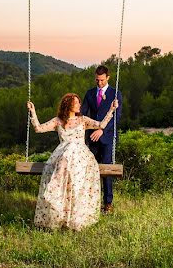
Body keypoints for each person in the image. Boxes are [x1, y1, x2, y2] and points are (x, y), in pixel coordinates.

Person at [27, 93, 117, 231]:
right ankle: (56, 198)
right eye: (76, 103)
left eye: (79, 103)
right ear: (68, 104)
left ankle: (63, 201)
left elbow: (101, 125)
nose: (79, 105)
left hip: (80, 159)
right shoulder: (58, 121)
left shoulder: (83, 120)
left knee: (73, 147)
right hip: (63, 158)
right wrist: (32, 112)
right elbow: (38, 128)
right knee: (69, 148)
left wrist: (111, 109)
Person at [80, 65, 121, 213]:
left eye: (102, 80)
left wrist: (102, 130)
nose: (99, 83)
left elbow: (116, 118)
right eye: (97, 80)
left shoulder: (115, 94)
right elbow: (81, 113)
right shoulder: (90, 94)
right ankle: (90, 202)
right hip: (91, 138)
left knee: (106, 170)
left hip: (107, 138)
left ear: (108, 77)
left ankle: (107, 203)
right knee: (90, 170)